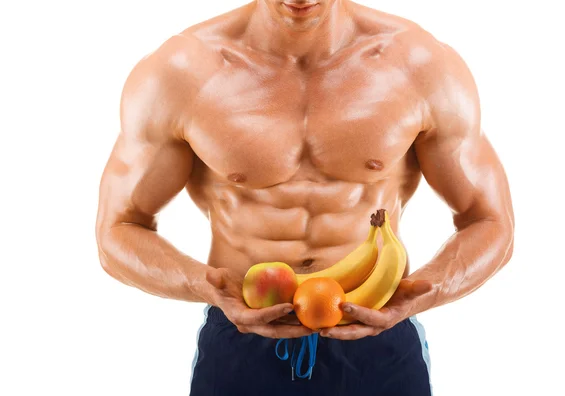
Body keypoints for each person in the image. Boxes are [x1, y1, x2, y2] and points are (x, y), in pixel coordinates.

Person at [95, 0, 514, 394]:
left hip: (381, 342)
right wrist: (207, 286)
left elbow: (490, 221)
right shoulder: (181, 72)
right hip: (240, 341)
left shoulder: (420, 64)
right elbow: (118, 230)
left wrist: (425, 291)